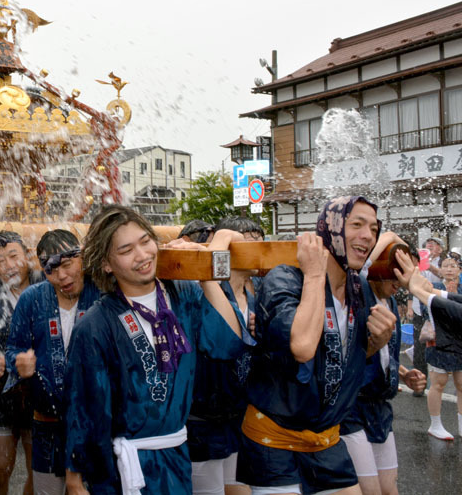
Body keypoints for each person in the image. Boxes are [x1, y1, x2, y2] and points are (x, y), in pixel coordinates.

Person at [65, 205, 245, 494]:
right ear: (106, 264)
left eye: (145, 241)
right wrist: (75, 479)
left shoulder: (184, 296)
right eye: (126, 250)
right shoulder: (96, 325)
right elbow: (84, 409)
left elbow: (228, 344)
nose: (142, 255)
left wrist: (204, 272)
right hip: (122, 470)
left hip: (176, 459)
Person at [236, 196, 397, 495]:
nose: (367, 235)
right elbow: (303, 347)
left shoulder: (358, 288)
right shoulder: (285, 278)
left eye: (373, 229)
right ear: (331, 229)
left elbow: (340, 360)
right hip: (275, 441)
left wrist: (378, 341)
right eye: (357, 225)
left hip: (326, 439)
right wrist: (314, 274)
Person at [5, 230, 102, 495]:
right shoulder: (32, 299)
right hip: (47, 421)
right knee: (47, 490)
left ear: (82, 257)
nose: (62, 276)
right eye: (51, 270)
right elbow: (13, 349)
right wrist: (19, 362)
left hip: (96, 422)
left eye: (68, 265)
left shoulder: (103, 294)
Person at [340, 234, 426, 495]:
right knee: (371, 491)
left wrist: (402, 373)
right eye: (395, 270)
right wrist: (395, 244)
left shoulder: (389, 299)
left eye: (405, 273)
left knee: (390, 489)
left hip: (380, 408)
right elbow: (387, 236)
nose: (400, 280)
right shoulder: (359, 290)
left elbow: (383, 351)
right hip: (353, 408)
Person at [187, 216, 260, 495]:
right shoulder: (207, 290)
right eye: (248, 245)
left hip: (237, 419)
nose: (258, 252)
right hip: (203, 422)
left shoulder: (256, 296)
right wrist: (224, 235)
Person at [0, 231, 43, 495]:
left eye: (14, 256)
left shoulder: (46, 284)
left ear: (27, 255)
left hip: (40, 393)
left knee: (40, 472)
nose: (9, 265)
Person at [419, 255, 462, 440]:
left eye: (454, 266)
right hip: (439, 340)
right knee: (439, 383)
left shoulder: (459, 289)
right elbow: (423, 310)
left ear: (459, 270)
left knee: (461, 384)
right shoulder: (434, 288)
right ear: (440, 270)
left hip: (459, 341)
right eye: (446, 266)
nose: (450, 269)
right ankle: (435, 424)